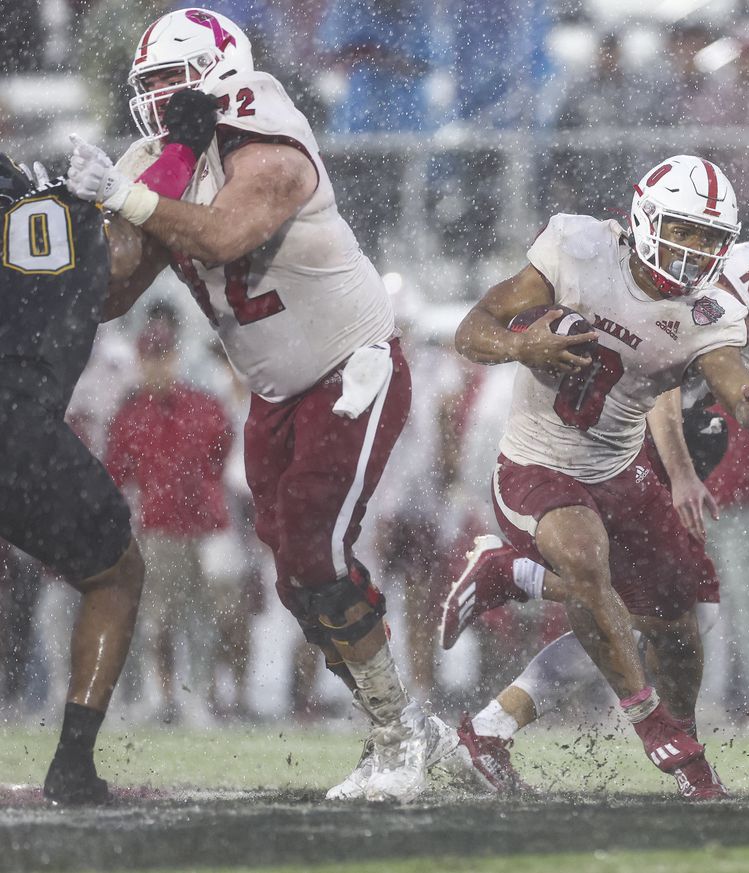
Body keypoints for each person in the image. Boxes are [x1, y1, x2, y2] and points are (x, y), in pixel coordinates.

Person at [63, 8, 466, 802]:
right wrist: (81, 222)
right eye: (150, 87)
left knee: (317, 552)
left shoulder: (267, 126)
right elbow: (112, 292)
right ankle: (407, 726)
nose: (162, 99)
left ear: (221, 73)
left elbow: (223, 237)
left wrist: (128, 196)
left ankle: (399, 737)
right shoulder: (160, 159)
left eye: (177, 81)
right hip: (276, 394)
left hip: (352, 370)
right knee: (296, 581)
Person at [442, 164, 749, 790]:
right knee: (638, 607)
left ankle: (494, 720)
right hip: (648, 440)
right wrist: (679, 471)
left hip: (686, 435)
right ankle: (661, 741)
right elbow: (661, 365)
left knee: (664, 617)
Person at [0, 156, 147, 804]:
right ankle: (72, 764)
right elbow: (122, 269)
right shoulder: (60, 209)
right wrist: (110, 200)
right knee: (115, 573)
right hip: (15, 426)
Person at [106, 306, 233, 724]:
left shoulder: (202, 405)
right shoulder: (130, 415)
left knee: (202, 617)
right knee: (156, 619)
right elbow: (116, 474)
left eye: (163, 355)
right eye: (150, 355)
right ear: (140, 359)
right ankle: (160, 697)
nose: (157, 364)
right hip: (157, 529)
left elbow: (222, 456)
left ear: (174, 357)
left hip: (203, 527)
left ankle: (197, 697)